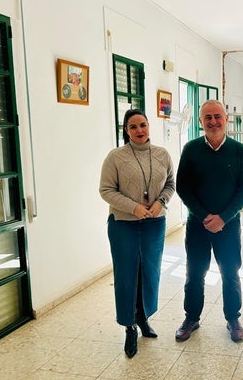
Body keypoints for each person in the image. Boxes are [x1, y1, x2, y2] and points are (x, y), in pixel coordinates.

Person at [99, 109, 175, 358]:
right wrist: (134, 208)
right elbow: (106, 190)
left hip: (154, 223)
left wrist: (160, 202)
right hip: (124, 224)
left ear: (149, 126)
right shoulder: (116, 157)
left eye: (143, 125)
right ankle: (129, 327)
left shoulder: (162, 155)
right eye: (133, 127)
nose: (140, 130)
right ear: (126, 131)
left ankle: (143, 319)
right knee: (127, 276)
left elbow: (171, 183)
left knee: (149, 273)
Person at [175, 100, 243, 343]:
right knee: (194, 273)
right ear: (200, 122)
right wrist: (204, 216)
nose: (213, 121)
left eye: (217, 116)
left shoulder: (239, 151)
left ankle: (233, 319)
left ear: (226, 118)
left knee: (230, 272)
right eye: (207, 117)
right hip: (198, 225)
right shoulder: (191, 149)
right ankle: (191, 318)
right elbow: (183, 187)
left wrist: (223, 218)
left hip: (228, 226)